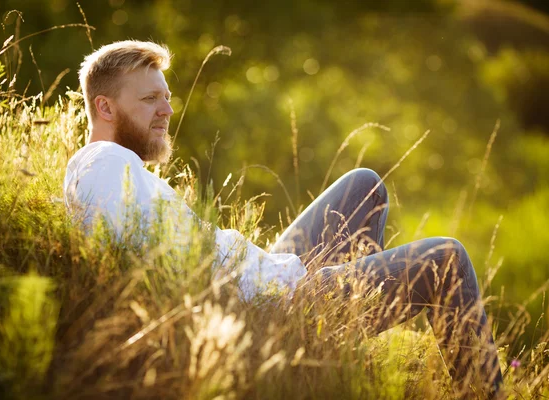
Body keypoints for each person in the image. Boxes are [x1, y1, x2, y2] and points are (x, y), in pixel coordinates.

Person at [63, 40, 503, 397]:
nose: (167, 111)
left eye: (166, 97)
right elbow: (155, 269)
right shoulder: (104, 164)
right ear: (105, 108)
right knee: (446, 259)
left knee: (364, 185)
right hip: (276, 310)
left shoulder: (118, 167)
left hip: (271, 279)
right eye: (149, 99)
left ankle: (346, 356)